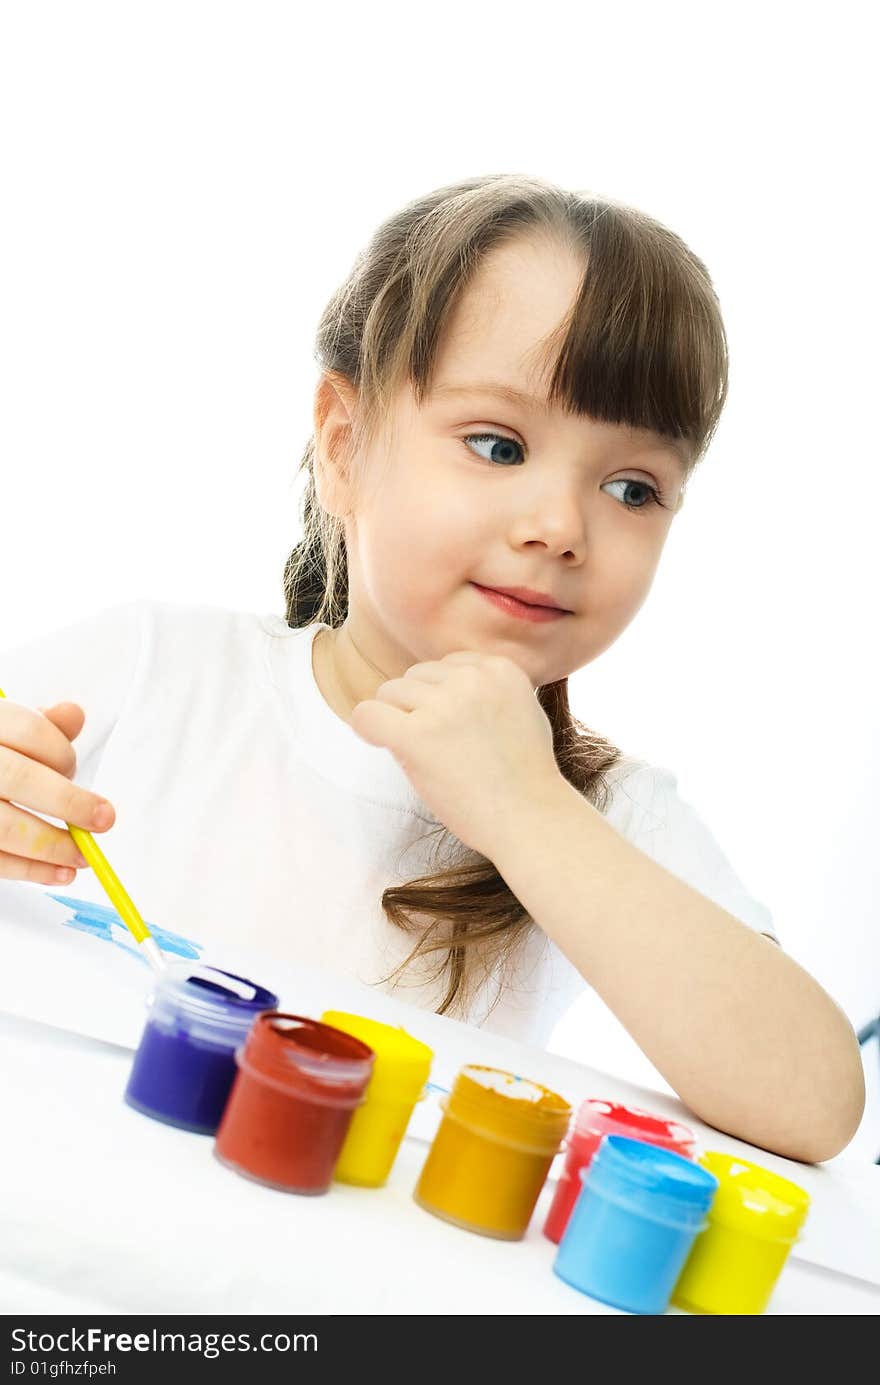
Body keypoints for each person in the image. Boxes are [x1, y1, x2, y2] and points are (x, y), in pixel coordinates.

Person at [0, 173, 864, 1162]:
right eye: (498, 445)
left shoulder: (604, 814)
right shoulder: (154, 669)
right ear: (344, 443)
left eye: (633, 486)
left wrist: (525, 808)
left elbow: (815, 1101)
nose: (559, 526)